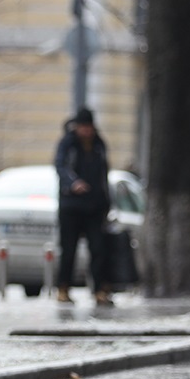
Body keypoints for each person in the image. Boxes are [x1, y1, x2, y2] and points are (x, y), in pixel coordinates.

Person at [53, 108, 112, 306]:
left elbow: (104, 173)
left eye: (88, 127)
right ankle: (63, 288)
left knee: (98, 249)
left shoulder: (99, 144)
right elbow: (60, 166)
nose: (86, 131)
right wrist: (73, 183)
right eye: (82, 127)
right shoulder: (68, 143)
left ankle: (99, 291)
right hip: (71, 206)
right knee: (68, 249)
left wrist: (106, 201)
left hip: (95, 206)